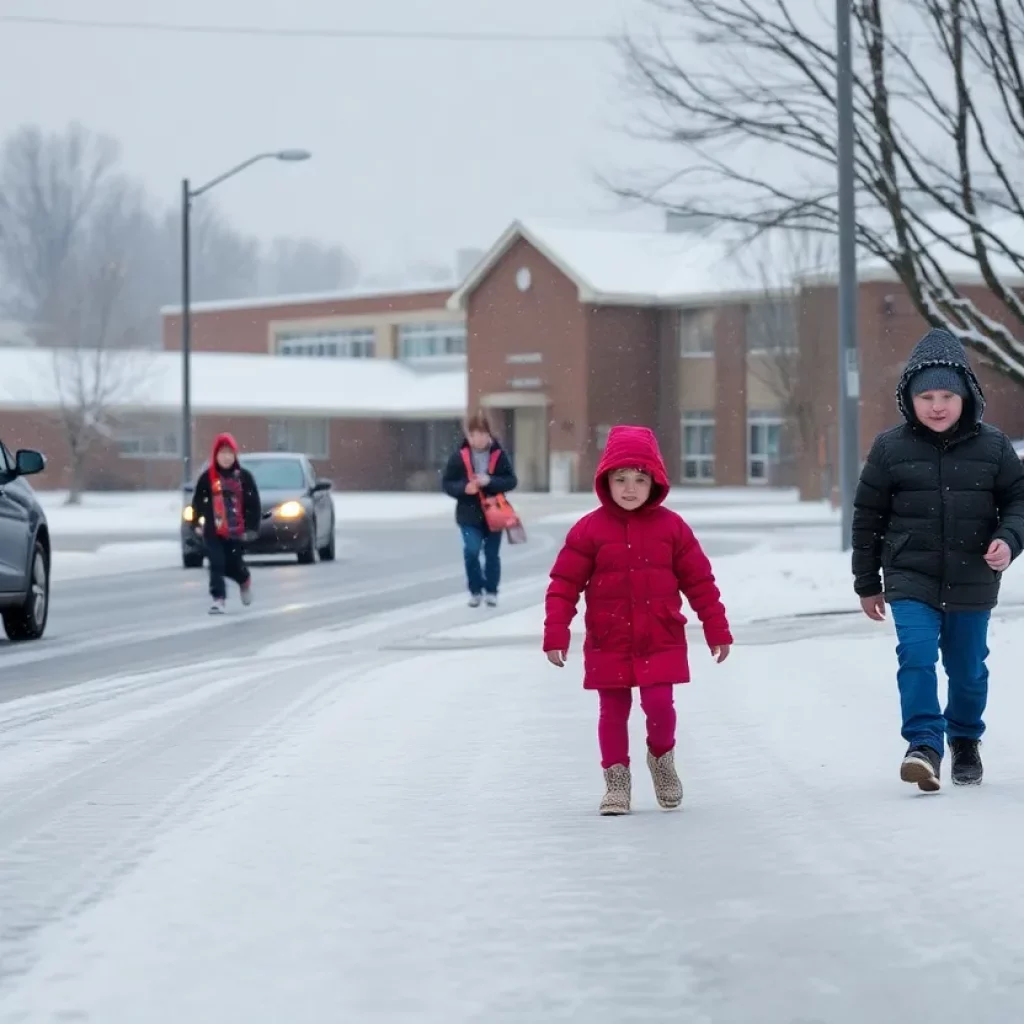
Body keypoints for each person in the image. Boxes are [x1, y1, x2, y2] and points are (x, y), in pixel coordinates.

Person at [853, 328, 1024, 791]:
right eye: (925, 395)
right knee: (916, 655)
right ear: (909, 399)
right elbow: (868, 517)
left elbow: (1018, 500)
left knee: (968, 668)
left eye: (947, 394)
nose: (937, 405)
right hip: (911, 574)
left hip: (973, 575)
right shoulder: (890, 448)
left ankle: (965, 739)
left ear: (967, 395)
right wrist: (867, 582)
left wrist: (1009, 538)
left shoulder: (993, 446)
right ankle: (924, 745)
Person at [542, 425, 733, 816]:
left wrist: (716, 627)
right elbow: (563, 584)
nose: (630, 488)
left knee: (660, 706)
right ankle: (616, 782)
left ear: (655, 482)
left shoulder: (672, 528)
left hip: (660, 635)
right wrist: (556, 631)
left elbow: (700, 582)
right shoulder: (589, 530)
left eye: (640, 479)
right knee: (612, 712)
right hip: (608, 637)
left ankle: (661, 761)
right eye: (621, 479)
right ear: (605, 481)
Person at [441, 412, 518, 608]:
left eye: (482, 434)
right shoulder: (459, 457)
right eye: (474, 434)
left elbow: (511, 481)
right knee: (471, 551)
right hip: (468, 514)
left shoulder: (499, 456)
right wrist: (464, 488)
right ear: (468, 436)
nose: (479, 439)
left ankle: (491, 591)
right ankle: (475, 590)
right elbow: (447, 483)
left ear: (489, 434)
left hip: (494, 513)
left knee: (492, 554)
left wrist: (490, 481)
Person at [190, 433, 262, 615]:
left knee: (233, 565)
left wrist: (252, 528)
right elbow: (197, 502)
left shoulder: (244, 477)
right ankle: (218, 598)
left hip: (236, 530)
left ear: (235, 455)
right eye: (222, 453)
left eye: (230, 453)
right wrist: (195, 522)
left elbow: (253, 505)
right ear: (215, 455)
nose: (226, 457)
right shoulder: (207, 478)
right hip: (213, 531)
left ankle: (244, 580)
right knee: (216, 563)